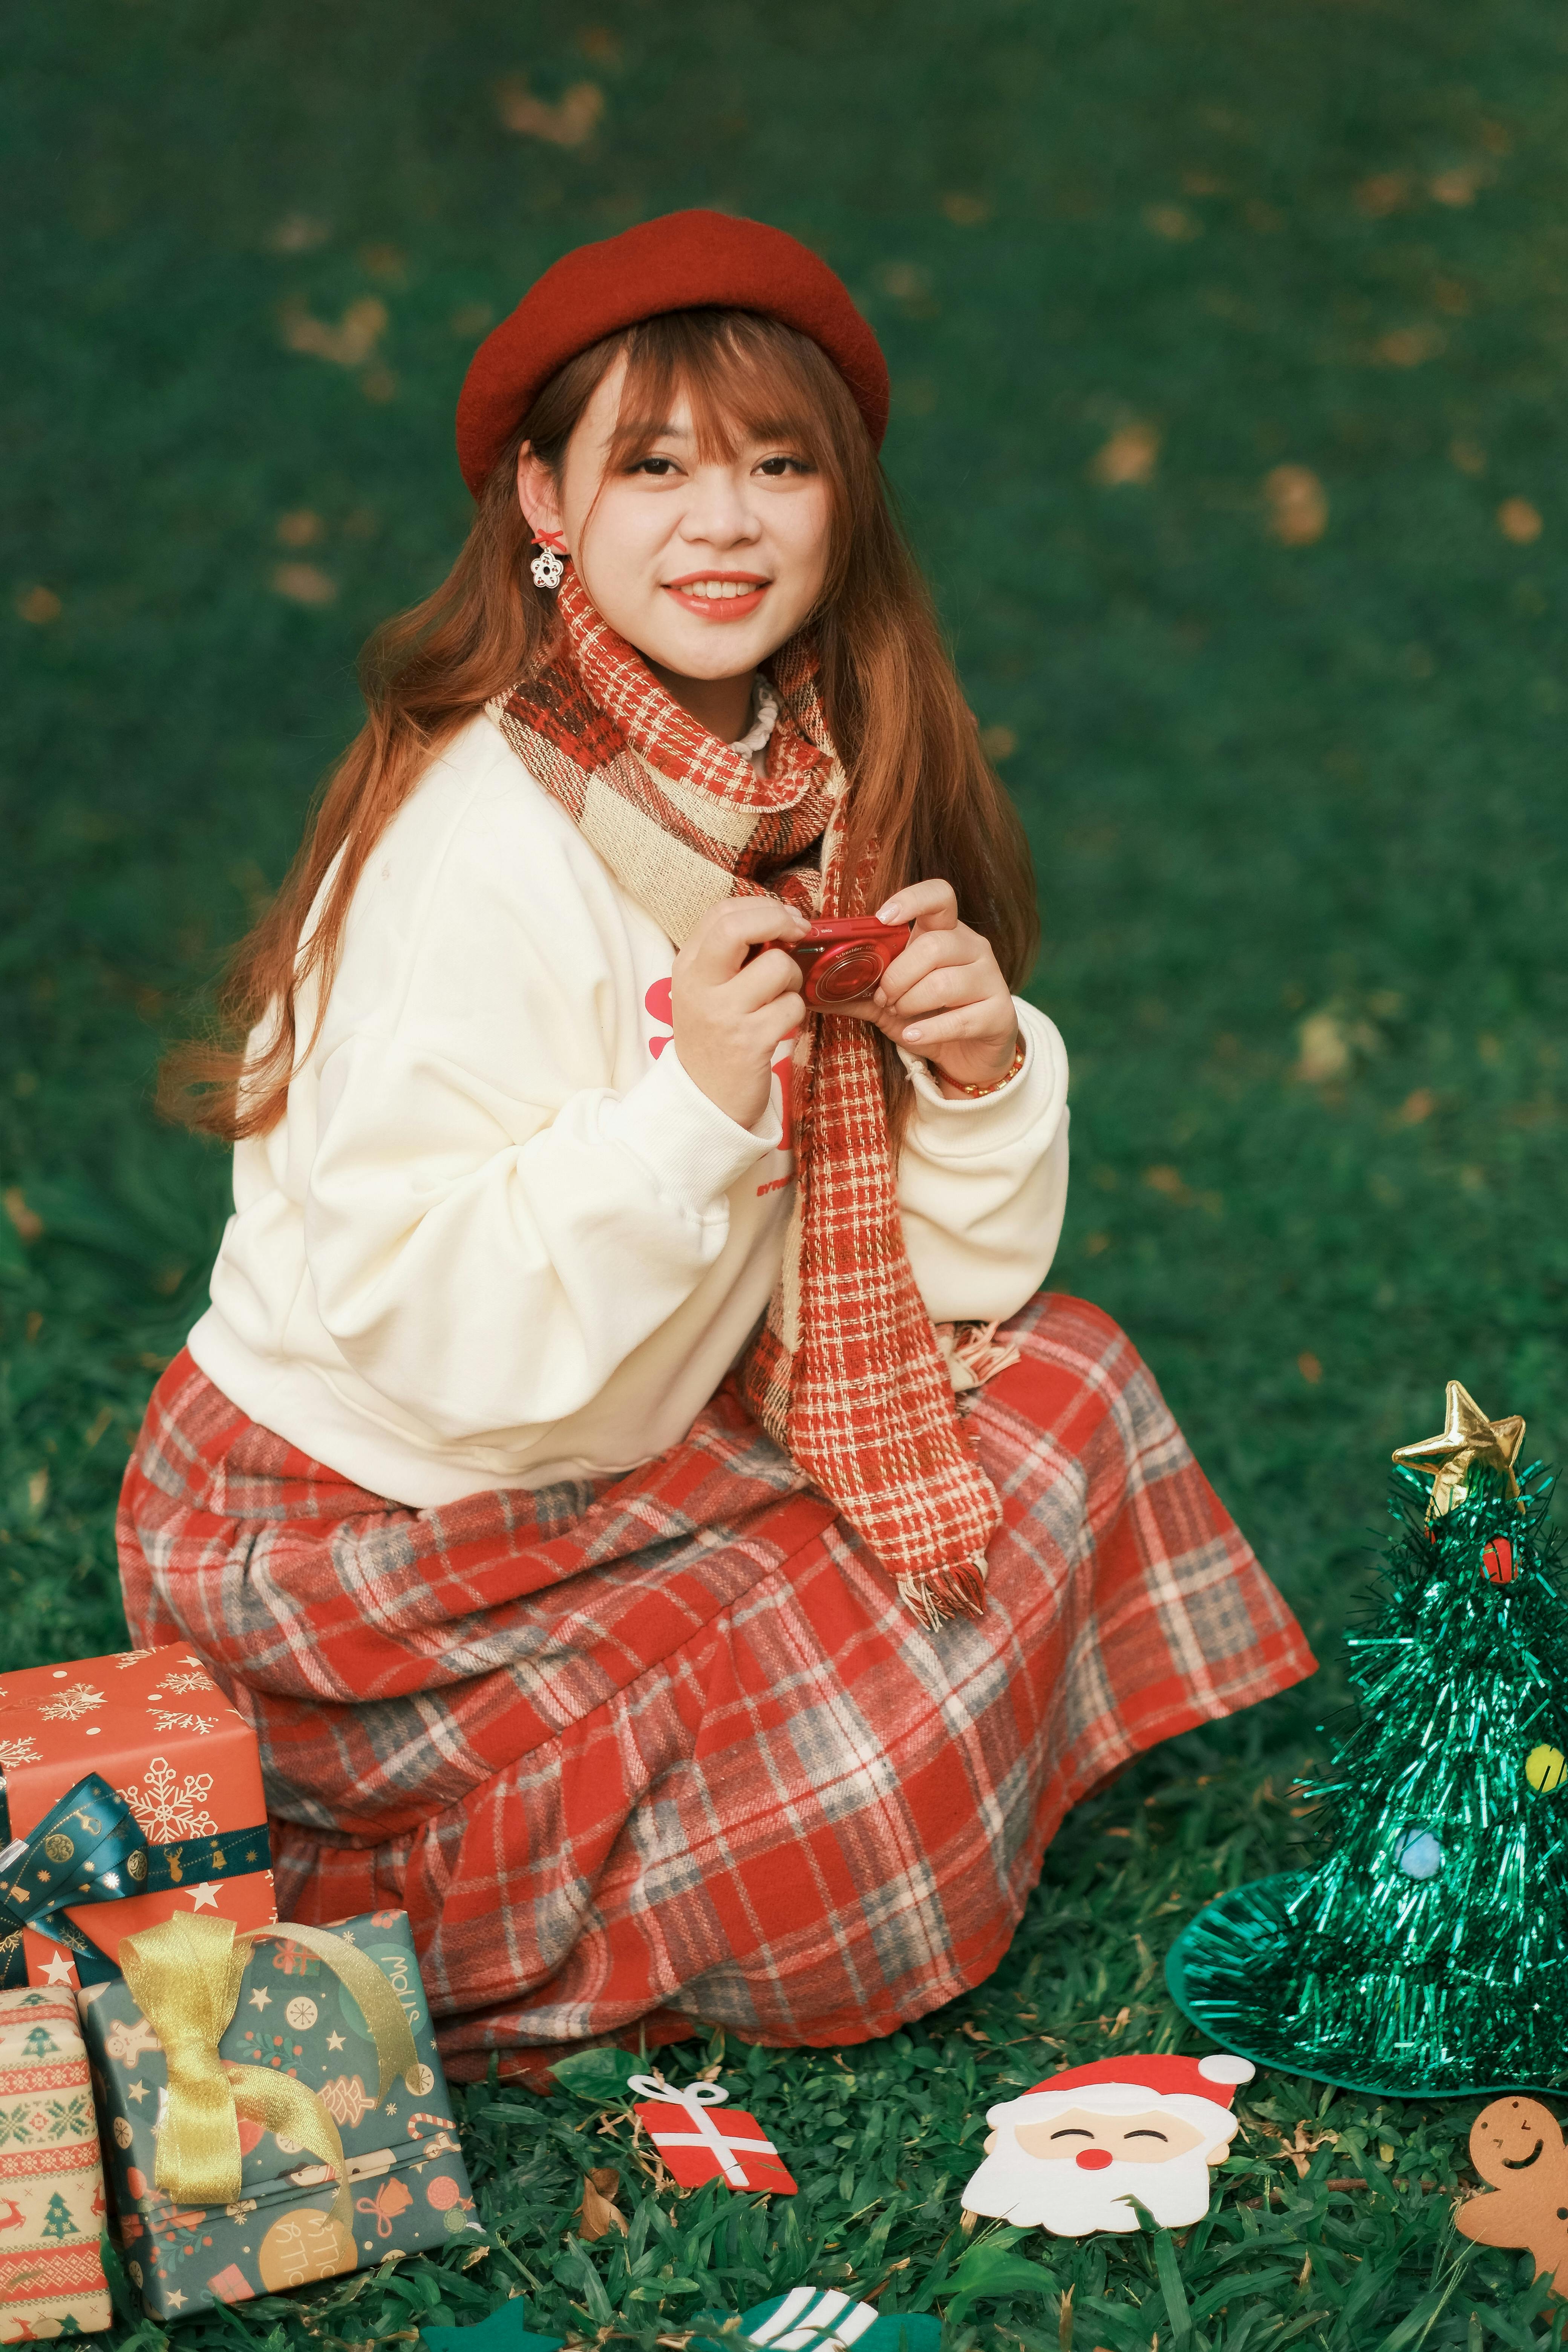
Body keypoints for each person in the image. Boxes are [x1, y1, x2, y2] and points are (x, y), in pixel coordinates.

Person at [118, 209, 1313, 2077]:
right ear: (546, 498)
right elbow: (404, 1310)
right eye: (652, 466)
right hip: (368, 1526)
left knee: (1064, 1391)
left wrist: (980, 1073)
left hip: (612, 1428)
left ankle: (699, 1797)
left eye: (777, 466)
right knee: (833, 1779)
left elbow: (941, 1299)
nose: (723, 524)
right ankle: (423, 1918)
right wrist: (685, 1123)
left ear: (842, 505)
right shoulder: (485, 842)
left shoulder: (807, 779)